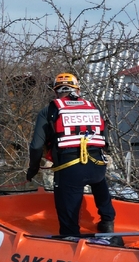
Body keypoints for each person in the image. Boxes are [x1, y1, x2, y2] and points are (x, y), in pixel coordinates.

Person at [26, 72, 116, 239]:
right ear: (78, 90)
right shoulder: (92, 107)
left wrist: (32, 169)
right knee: (99, 180)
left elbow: (36, 146)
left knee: (68, 217)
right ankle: (107, 222)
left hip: (70, 169)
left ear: (56, 92)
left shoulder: (49, 110)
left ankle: (70, 240)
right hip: (97, 167)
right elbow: (105, 140)